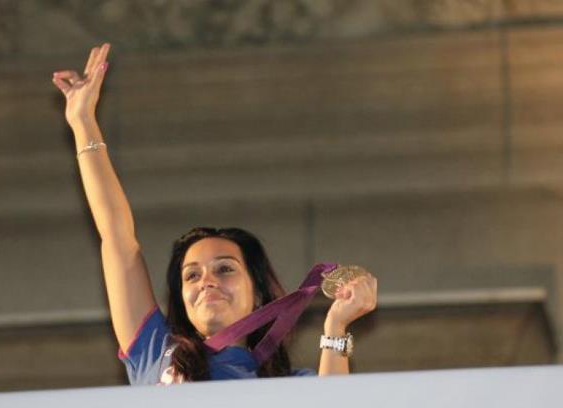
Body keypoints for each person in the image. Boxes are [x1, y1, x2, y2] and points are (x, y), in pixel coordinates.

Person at [52, 43, 377, 385]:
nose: (207, 281)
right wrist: (83, 122)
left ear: (259, 294)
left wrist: (336, 324)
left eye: (225, 269)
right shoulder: (153, 349)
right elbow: (116, 235)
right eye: (191, 276)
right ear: (182, 300)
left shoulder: (285, 385)